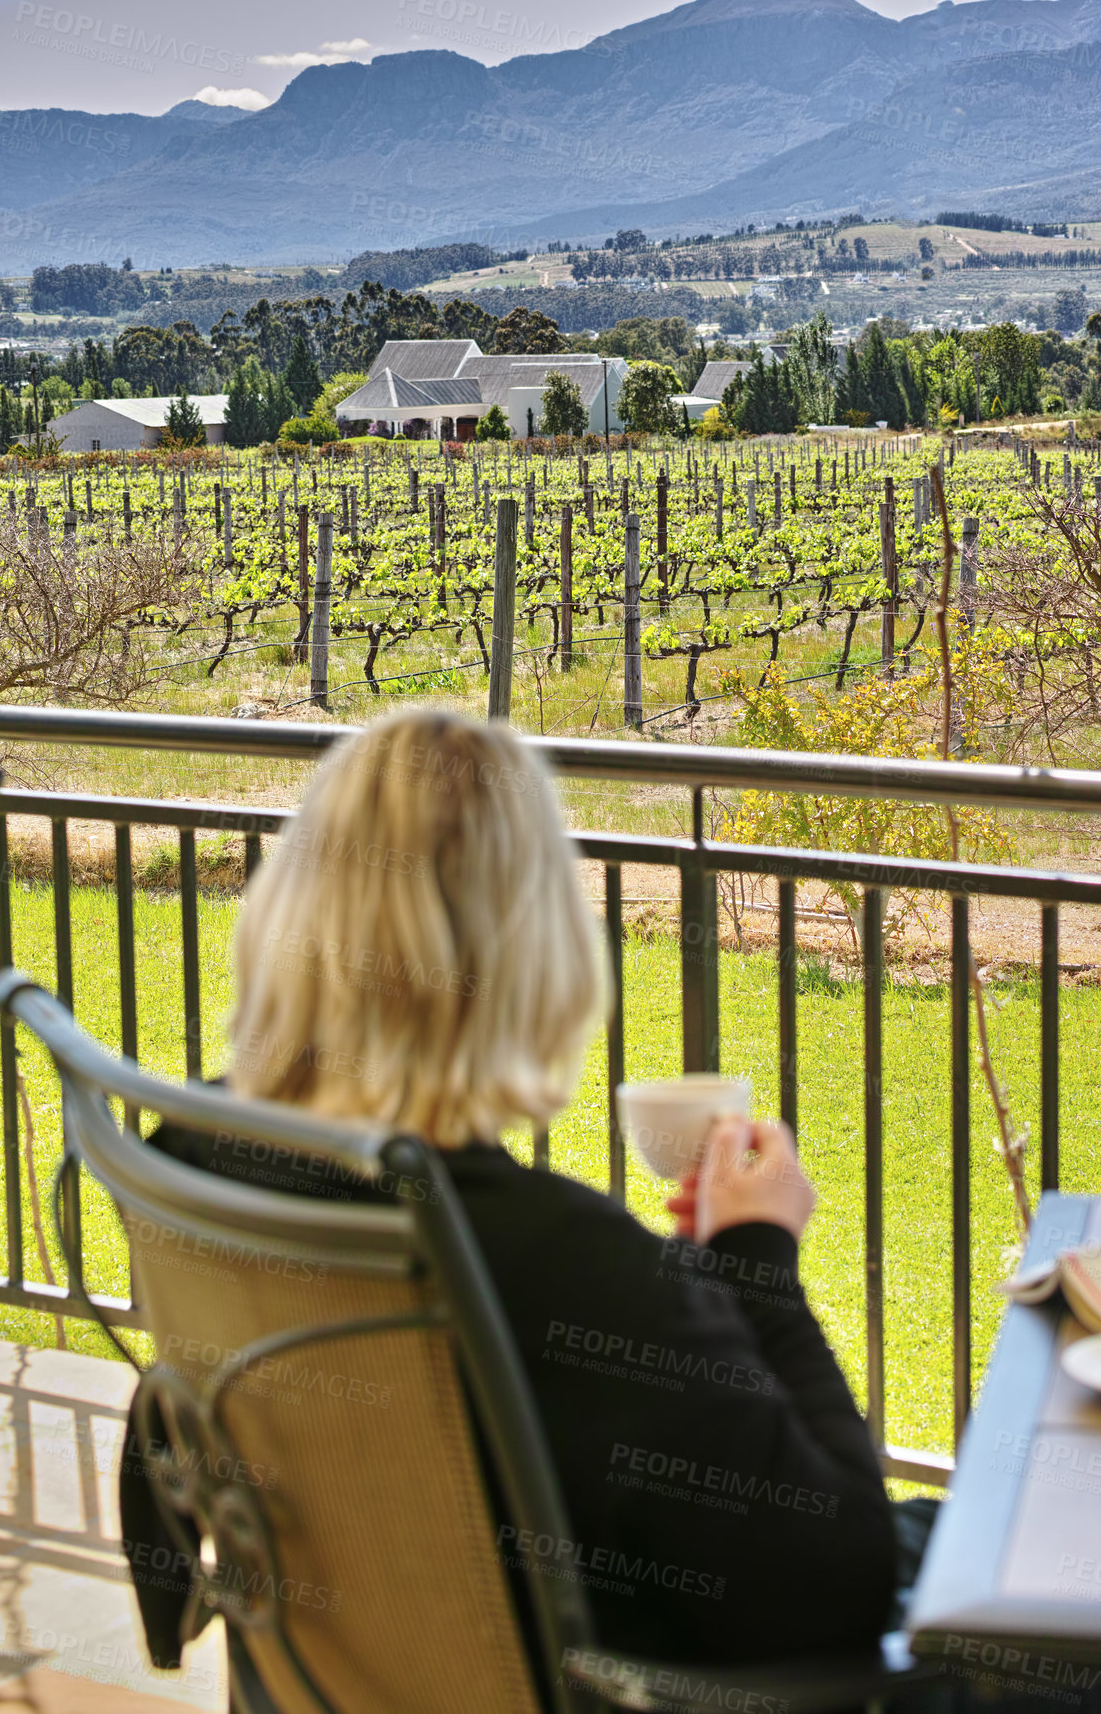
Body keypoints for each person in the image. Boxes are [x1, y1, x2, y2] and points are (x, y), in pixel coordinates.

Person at [120, 708, 897, 1671]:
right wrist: (756, 1257)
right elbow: (842, 1588)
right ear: (537, 954)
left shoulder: (195, 1156)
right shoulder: (566, 1266)